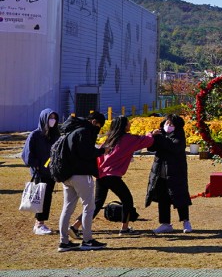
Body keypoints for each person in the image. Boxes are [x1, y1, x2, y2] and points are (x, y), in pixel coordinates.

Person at [72, 115, 154, 236]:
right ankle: (124, 229)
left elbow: (99, 155)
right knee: (127, 199)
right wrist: (151, 134)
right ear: (123, 126)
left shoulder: (109, 139)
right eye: (128, 123)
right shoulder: (128, 139)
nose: (130, 125)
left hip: (101, 175)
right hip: (112, 175)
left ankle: (75, 226)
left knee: (97, 204)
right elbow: (146, 141)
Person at [57, 111, 107, 252]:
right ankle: (87, 240)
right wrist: (102, 151)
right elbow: (87, 153)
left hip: (66, 175)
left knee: (67, 208)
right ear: (94, 122)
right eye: (99, 125)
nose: (98, 128)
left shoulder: (71, 130)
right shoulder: (84, 132)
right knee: (88, 207)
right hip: (81, 174)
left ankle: (64, 241)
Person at [145, 115, 193, 234]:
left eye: (171, 124)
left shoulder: (179, 136)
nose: (168, 126)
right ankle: (165, 223)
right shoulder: (161, 134)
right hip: (160, 172)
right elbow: (151, 148)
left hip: (176, 172)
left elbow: (174, 147)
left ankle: (186, 221)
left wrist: (160, 138)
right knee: (163, 198)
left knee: (180, 196)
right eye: (167, 123)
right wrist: (152, 135)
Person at [23, 108, 60, 236]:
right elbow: (27, 155)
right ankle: (39, 223)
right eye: (50, 118)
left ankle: (41, 222)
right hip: (39, 173)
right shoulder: (35, 135)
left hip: (51, 172)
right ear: (44, 119)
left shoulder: (56, 135)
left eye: (54, 118)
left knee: (47, 197)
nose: (53, 121)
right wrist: (37, 165)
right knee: (40, 197)